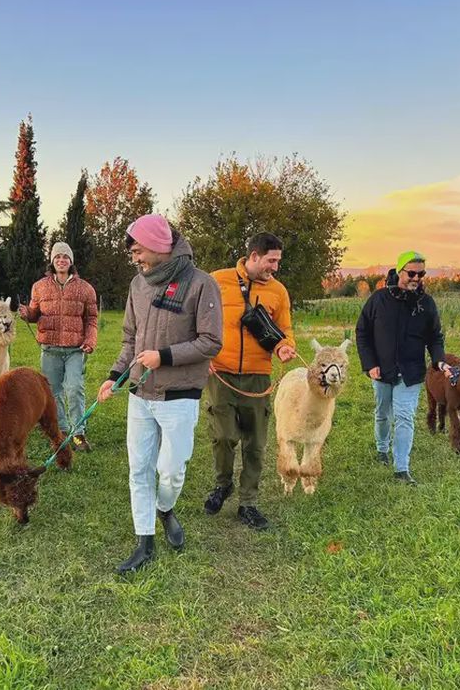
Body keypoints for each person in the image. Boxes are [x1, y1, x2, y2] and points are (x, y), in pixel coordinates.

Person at [96, 214, 223, 574]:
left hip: (180, 397)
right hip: (140, 393)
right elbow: (129, 338)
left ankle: (165, 508)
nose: (135, 258)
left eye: (137, 250)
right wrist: (115, 375)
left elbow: (211, 341)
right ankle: (144, 543)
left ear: (157, 244)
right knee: (139, 470)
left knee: (170, 471)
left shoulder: (201, 284)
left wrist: (164, 357)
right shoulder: (138, 285)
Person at [203, 232, 296, 531]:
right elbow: (197, 319)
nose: (275, 267)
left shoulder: (279, 291)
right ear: (254, 256)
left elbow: (285, 328)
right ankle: (222, 485)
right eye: (272, 260)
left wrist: (284, 346)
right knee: (224, 436)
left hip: (258, 377)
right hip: (220, 372)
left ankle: (248, 503)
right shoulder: (216, 280)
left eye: (278, 261)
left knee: (255, 443)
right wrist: (201, 353)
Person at [354, 250, 453, 485]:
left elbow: (435, 337)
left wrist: (439, 360)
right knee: (382, 414)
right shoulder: (378, 299)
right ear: (400, 271)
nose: (416, 278)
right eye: (411, 273)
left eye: (421, 274)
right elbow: (362, 332)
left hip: (411, 372)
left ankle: (401, 468)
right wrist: (370, 364)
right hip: (382, 370)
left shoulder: (426, 304)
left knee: (404, 417)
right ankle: (381, 448)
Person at [19, 242, 98, 452]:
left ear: (71, 261)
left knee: (74, 389)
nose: (61, 260)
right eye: (57, 257)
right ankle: (61, 430)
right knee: (52, 393)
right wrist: (27, 313)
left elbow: (91, 319)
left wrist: (90, 340)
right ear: (52, 261)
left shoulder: (85, 288)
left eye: (65, 257)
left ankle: (79, 432)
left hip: (75, 350)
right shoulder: (39, 286)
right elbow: (35, 313)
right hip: (50, 349)